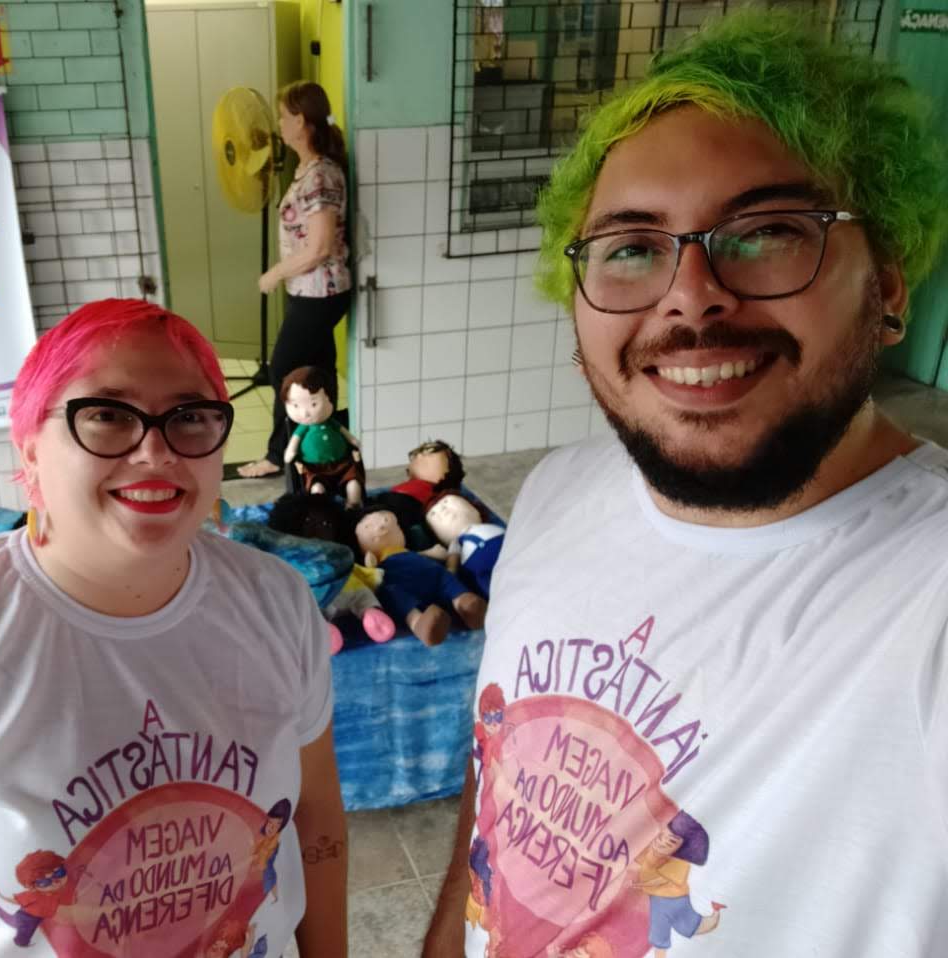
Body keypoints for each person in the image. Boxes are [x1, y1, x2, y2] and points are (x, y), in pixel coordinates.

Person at [423, 12, 948, 958]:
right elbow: (500, 783)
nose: (692, 293)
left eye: (768, 231)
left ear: (890, 283)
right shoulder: (557, 493)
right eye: (631, 247)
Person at [0, 298, 348, 957]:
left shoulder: (276, 602)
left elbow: (315, 824)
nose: (155, 450)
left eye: (190, 416)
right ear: (30, 449)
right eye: (107, 415)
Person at [237, 81, 352, 479]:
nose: (279, 124)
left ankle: (277, 455)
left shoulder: (321, 174)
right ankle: (325, 446)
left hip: (321, 291)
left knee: (284, 371)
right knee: (317, 369)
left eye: (284, 116)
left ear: (301, 121)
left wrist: (275, 273)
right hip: (309, 290)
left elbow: (320, 247)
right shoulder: (308, 169)